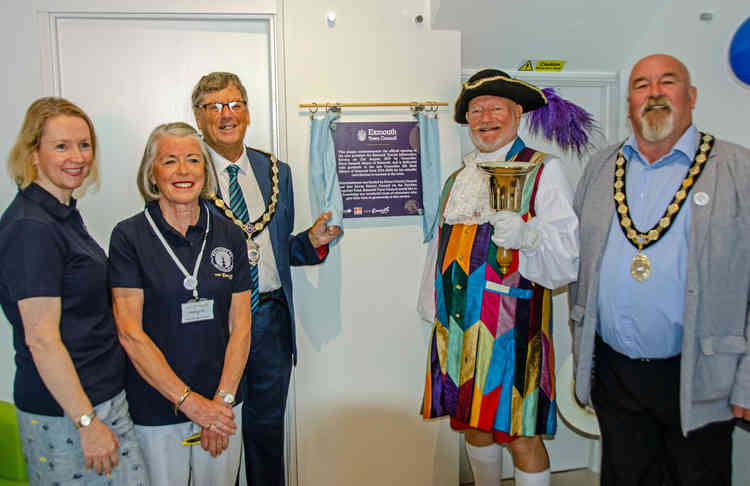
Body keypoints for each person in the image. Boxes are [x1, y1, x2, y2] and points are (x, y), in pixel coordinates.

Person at [570, 53, 750, 485]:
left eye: (667, 82)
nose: (653, 93)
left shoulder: (739, 169)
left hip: (700, 376)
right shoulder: (599, 168)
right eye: (641, 85)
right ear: (629, 103)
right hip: (616, 375)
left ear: (691, 97)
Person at [420, 69, 581, 486]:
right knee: (473, 422)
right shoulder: (459, 177)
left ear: (516, 114)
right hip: (457, 325)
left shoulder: (544, 170)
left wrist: (529, 236)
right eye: (476, 109)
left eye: (495, 108)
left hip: (513, 327)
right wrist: (431, 306)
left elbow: (567, 258)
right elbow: (439, 249)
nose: (484, 117)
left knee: (521, 432)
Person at [191, 71, 341, 486]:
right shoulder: (188, 170)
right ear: (199, 117)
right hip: (215, 324)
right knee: (215, 430)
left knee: (266, 431)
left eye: (235, 104)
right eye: (214, 106)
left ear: (248, 112)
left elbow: (275, 250)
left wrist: (312, 241)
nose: (227, 115)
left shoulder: (276, 171)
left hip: (271, 320)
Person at [0, 97, 148, 485]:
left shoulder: (62, 212)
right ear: (33, 153)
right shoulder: (31, 227)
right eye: (61, 146)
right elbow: (42, 339)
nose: (77, 157)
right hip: (68, 414)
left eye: (84, 145)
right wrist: (87, 423)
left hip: (100, 398)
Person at [108, 122, 251, 485]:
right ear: (152, 174)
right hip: (156, 408)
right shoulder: (129, 236)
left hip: (222, 402)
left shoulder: (230, 233)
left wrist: (221, 403)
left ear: (206, 171)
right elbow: (130, 333)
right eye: (170, 161)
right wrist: (192, 405)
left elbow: (241, 326)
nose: (183, 171)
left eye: (193, 160)